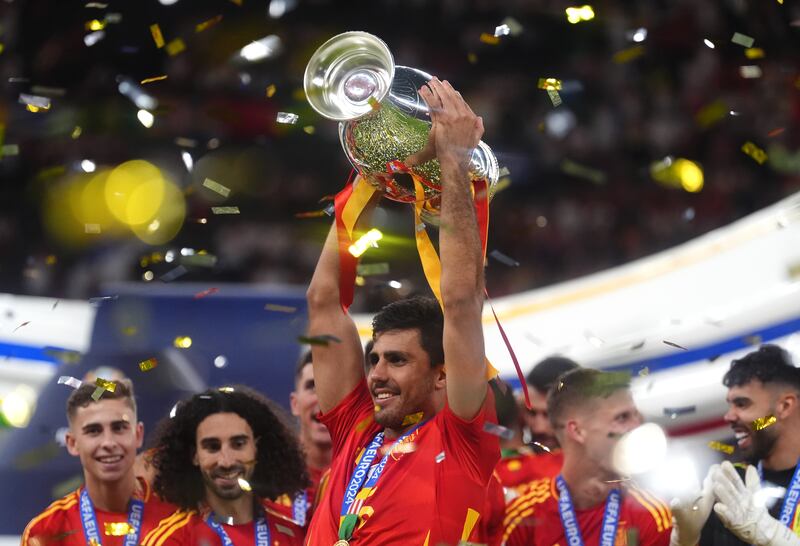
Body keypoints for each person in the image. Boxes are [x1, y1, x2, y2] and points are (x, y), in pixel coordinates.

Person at [303, 77, 500, 545]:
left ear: (442, 375)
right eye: (376, 359)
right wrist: (371, 174)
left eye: (398, 360)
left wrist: (452, 161)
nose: (377, 374)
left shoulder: (463, 441)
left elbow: (460, 301)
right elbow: (324, 300)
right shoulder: (358, 426)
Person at [502, 368, 672, 546]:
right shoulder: (523, 517)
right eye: (622, 418)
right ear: (577, 431)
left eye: (635, 415)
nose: (636, 427)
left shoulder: (651, 514)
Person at [142, 386, 308, 546]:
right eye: (212, 447)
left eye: (238, 444)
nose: (226, 461)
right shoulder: (172, 540)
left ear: (256, 448)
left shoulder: (293, 534)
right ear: (194, 455)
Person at [671, 345, 800, 546]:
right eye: (729, 405)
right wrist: (685, 540)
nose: (729, 416)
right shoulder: (728, 486)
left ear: (784, 407)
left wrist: (780, 541)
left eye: (742, 404)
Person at [22, 380, 176, 546]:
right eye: (93, 431)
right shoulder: (46, 531)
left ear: (138, 435)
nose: (108, 443)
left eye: (119, 428)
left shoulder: (178, 518)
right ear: (72, 443)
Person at [496, 356, 580, 493]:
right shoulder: (513, 455)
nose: (539, 427)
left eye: (550, 415)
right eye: (532, 413)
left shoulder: (600, 470)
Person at [280, 351, 332, 527]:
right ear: (295, 404)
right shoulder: (269, 477)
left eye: (333, 386)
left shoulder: (368, 475)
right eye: (313, 386)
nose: (324, 398)